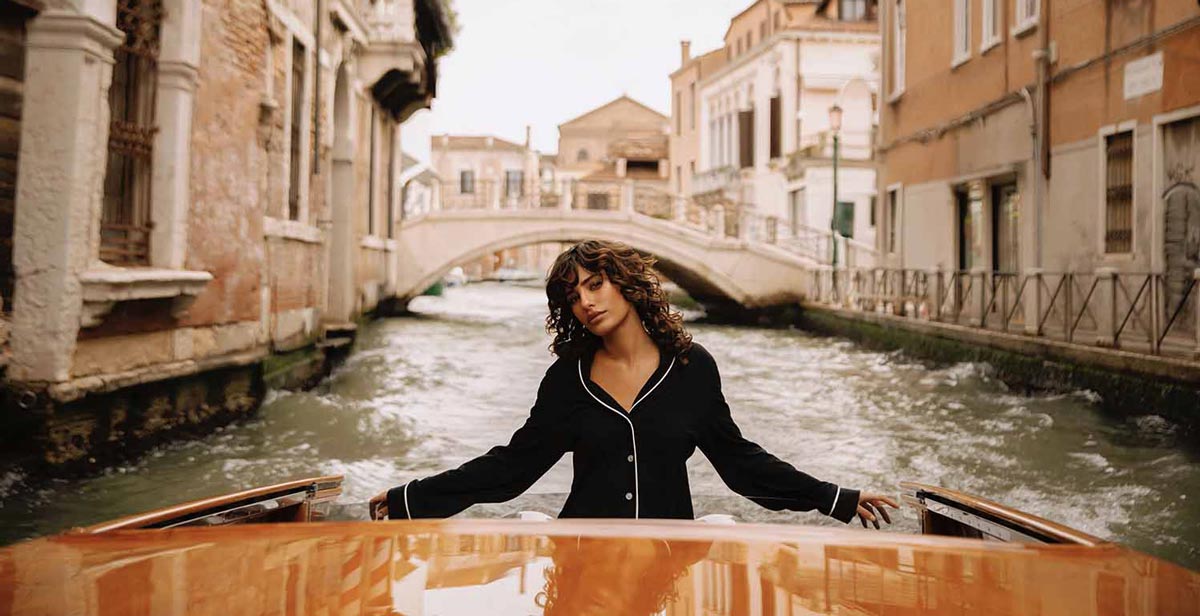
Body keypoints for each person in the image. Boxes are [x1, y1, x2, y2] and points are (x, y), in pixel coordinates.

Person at [369, 240, 898, 528]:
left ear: (625, 284)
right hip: (584, 556)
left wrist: (835, 497)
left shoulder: (692, 368)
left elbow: (740, 463)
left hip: (670, 558)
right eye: (574, 296)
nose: (586, 301)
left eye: (595, 284)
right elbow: (511, 468)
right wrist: (412, 498)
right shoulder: (568, 380)